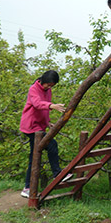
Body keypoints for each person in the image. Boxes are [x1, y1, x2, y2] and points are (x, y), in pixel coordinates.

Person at [19, 70, 71, 198]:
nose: (49, 87)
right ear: (43, 80)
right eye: (49, 84)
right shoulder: (33, 89)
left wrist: (47, 122)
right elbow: (37, 104)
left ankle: (27, 187)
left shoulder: (48, 91)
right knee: (51, 144)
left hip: (39, 126)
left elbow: (44, 111)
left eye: (52, 85)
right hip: (31, 126)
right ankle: (57, 173)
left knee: (34, 156)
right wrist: (52, 105)